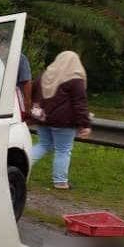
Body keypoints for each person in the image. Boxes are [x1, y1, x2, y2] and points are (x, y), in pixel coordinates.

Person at [30, 50, 91, 189]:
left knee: (44, 145)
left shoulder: (43, 76)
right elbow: (80, 103)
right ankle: (60, 182)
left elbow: (33, 95)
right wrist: (85, 124)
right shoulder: (75, 80)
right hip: (64, 122)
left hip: (42, 118)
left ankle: (20, 165)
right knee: (63, 150)